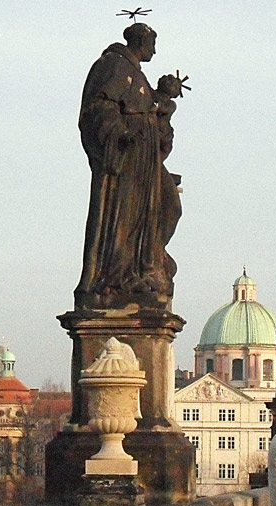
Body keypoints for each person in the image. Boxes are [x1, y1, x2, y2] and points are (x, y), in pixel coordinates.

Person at [76, 23, 181, 310]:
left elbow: (153, 117)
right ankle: (119, 277)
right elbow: (96, 110)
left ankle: (147, 265)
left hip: (145, 162)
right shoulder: (113, 66)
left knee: (169, 207)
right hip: (125, 162)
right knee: (124, 218)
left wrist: (164, 101)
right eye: (153, 43)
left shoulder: (138, 76)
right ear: (141, 41)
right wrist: (119, 134)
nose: (155, 50)